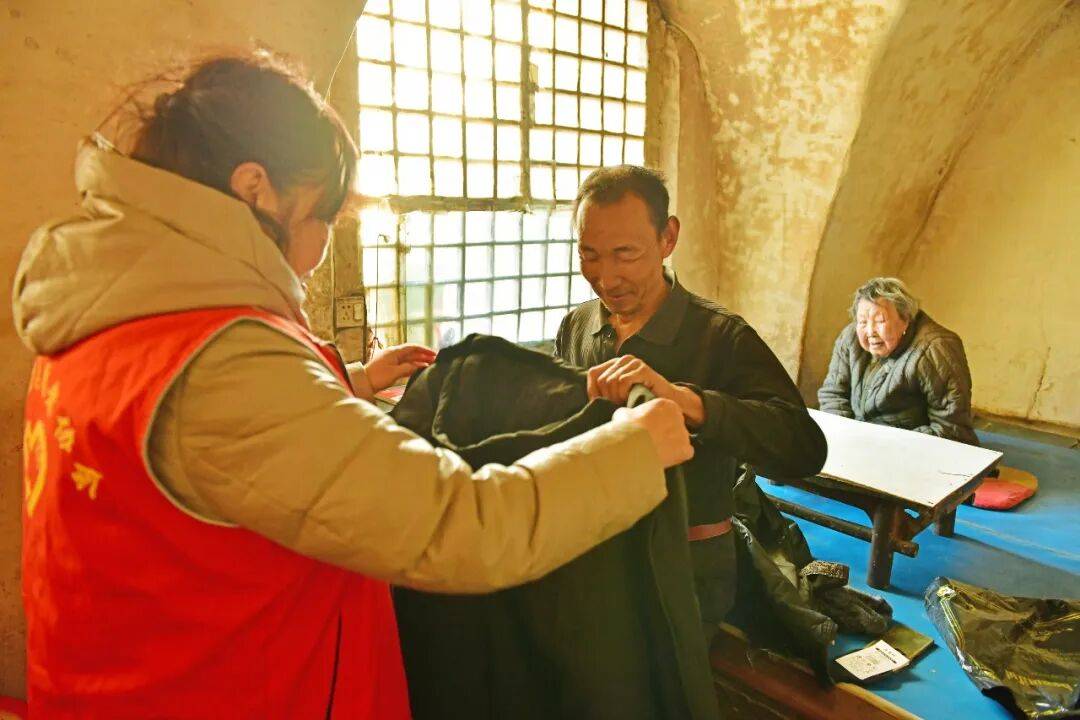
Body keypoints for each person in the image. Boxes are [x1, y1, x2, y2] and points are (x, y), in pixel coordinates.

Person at [13, 52, 693, 718]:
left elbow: (225, 464)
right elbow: (461, 526)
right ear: (255, 188)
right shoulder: (223, 364)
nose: (316, 251)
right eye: (320, 217)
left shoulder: (110, 317)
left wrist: (350, 383)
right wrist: (634, 449)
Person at [554, 165, 827, 632]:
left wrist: (685, 402)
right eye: (589, 255)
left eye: (625, 254)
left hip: (686, 569)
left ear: (668, 238)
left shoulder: (720, 336)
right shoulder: (577, 326)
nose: (606, 278)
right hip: (595, 556)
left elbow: (803, 446)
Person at [817, 277, 978, 445]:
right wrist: (845, 435)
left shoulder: (936, 348)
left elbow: (951, 429)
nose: (870, 331)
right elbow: (833, 393)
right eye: (862, 321)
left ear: (905, 319)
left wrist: (883, 444)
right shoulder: (850, 337)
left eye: (880, 321)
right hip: (860, 441)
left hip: (912, 447)